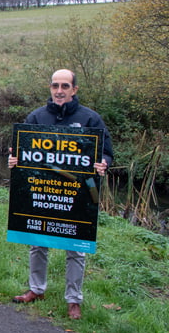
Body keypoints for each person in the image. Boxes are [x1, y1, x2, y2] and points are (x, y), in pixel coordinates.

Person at [8, 68, 113, 320]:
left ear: (74, 89)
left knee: (75, 248)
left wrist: (103, 163)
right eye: (55, 85)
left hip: (77, 194)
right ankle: (36, 289)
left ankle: (73, 300)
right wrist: (13, 159)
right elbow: (21, 150)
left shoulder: (90, 119)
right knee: (38, 242)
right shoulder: (36, 116)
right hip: (42, 191)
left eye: (65, 86)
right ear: (50, 88)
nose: (59, 90)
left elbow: (106, 152)